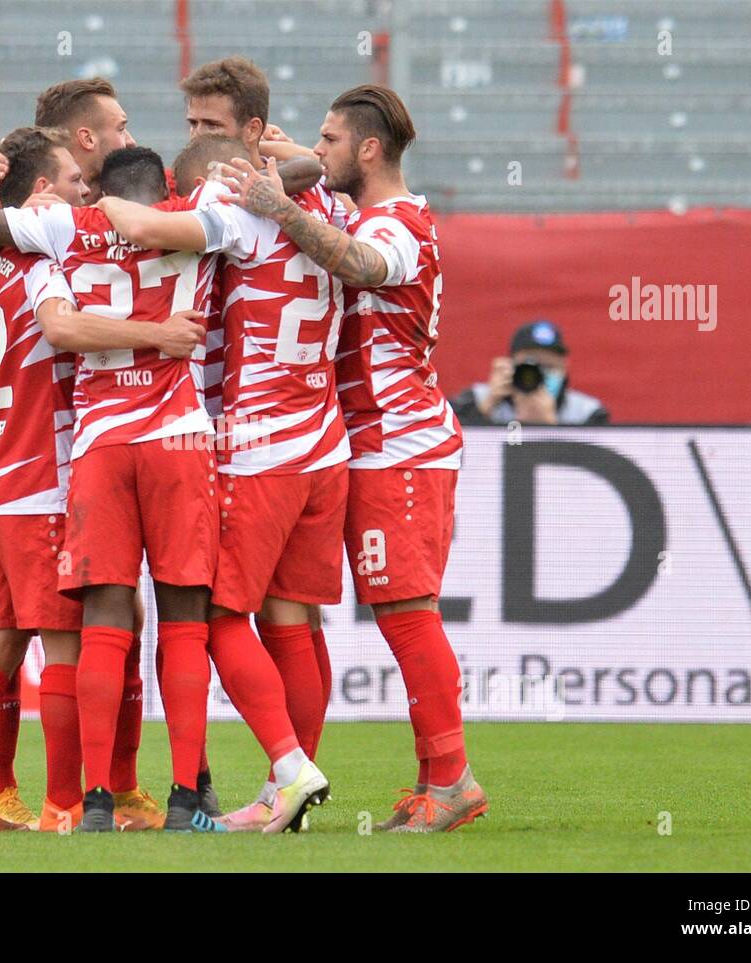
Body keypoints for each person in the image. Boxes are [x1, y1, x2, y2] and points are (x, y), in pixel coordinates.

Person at [218, 84, 490, 832]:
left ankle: (454, 777)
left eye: (330, 139)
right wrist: (272, 154)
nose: (319, 149)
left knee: (407, 613)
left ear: (368, 149)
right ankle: (327, 783)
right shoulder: (365, 203)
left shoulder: (400, 222)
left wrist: (283, 208)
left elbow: (363, 266)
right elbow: (319, 188)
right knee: (322, 617)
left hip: (399, 443)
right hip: (357, 444)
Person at [0, 127, 201, 833]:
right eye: (76, 182)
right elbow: (67, 326)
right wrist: (157, 334)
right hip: (38, 474)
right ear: (43, 193)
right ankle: (71, 802)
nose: (89, 194)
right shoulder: (40, 255)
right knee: (70, 642)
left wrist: (1, 200)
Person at [94, 132, 348, 832]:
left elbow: (146, 223)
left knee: (216, 617)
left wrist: (87, 203)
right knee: (291, 618)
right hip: (325, 444)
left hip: (259, 446)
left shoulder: (229, 211)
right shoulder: (330, 207)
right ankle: (279, 790)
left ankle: (292, 767)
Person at [451, 320, 610, 426]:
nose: (538, 374)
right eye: (530, 365)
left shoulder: (587, 413)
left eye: (548, 367)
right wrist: (485, 407)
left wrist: (550, 428)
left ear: (564, 368)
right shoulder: (476, 398)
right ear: (510, 363)